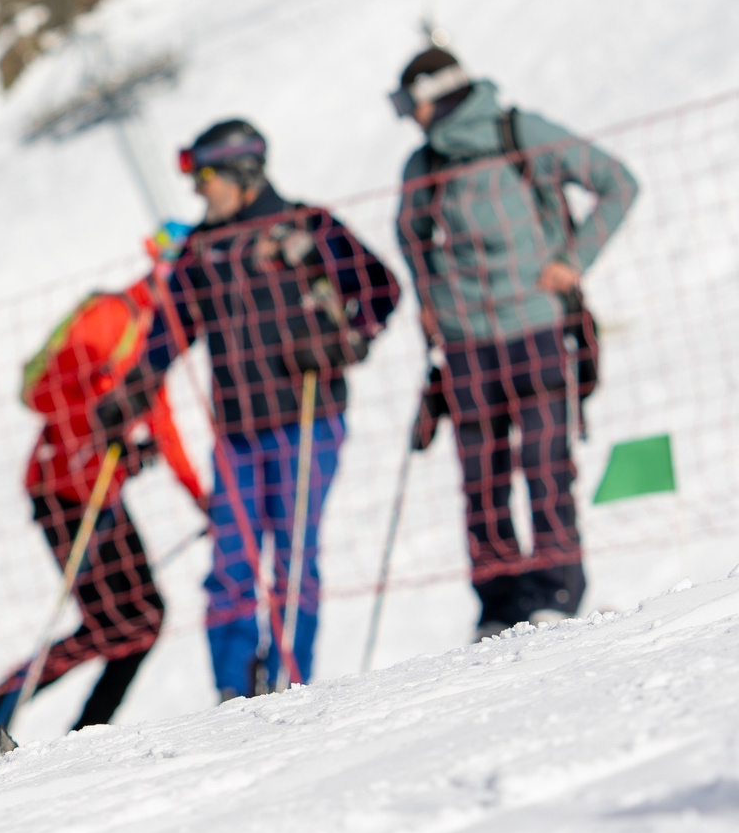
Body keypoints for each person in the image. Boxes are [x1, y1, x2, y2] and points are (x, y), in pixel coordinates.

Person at [95, 121, 400, 698]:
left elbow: (382, 290)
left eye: (206, 176)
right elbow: (169, 333)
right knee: (231, 567)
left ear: (243, 172)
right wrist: (131, 396)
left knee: (292, 556)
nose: (199, 191)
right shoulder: (202, 250)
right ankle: (234, 694)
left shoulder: (308, 226)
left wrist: (348, 341)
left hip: (307, 420)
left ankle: (287, 682)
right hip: (236, 431)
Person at [390, 48, 637, 638]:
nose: (408, 117)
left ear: (435, 95)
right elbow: (411, 236)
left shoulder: (519, 132)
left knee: (545, 462)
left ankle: (556, 587)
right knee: (482, 476)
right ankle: (499, 603)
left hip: (538, 328)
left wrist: (573, 262)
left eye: (409, 102)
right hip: (467, 344)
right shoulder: (423, 165)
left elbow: (617, 184)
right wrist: (432, 302)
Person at [0, 227, 210, 743]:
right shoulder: (113, 318)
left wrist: (205, 502)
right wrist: (101, 430)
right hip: (59, 491)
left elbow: (163, 426)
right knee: (113, 624)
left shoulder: (154, 341)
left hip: (100, 492)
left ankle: (79, 735)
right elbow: (47, 394)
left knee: (142, 621)